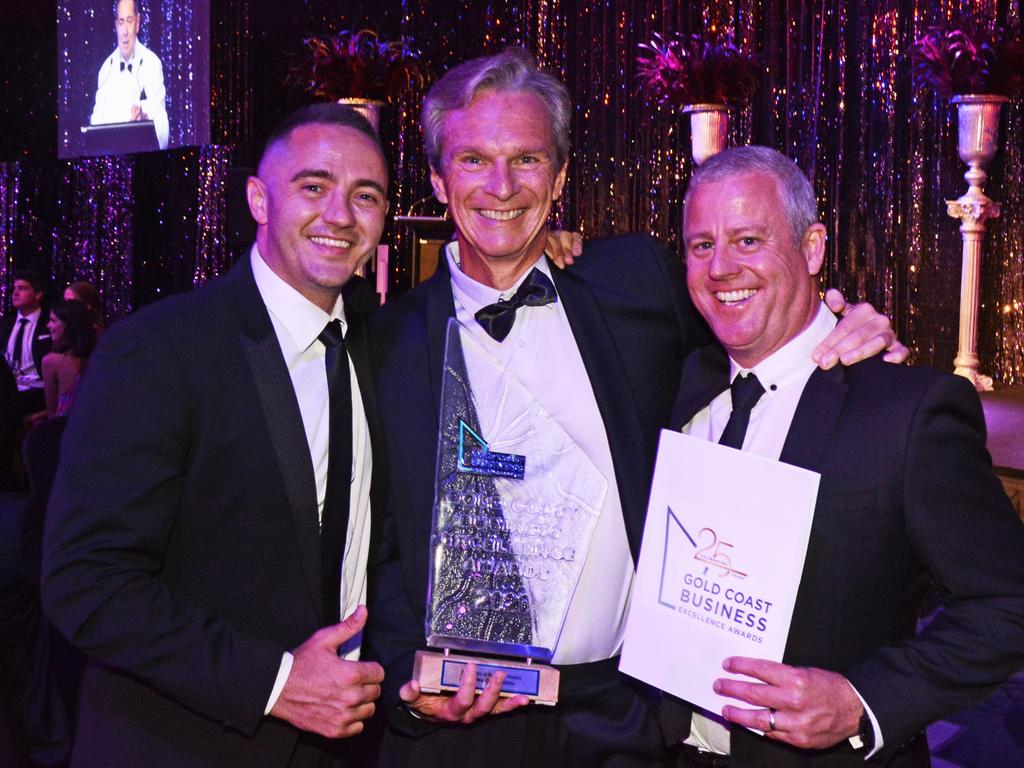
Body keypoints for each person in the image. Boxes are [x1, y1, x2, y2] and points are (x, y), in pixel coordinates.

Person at [363, 48, 904, 768]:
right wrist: (406, 674)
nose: (501, 186)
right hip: (457, 724)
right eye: (472, 161)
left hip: (622, 720)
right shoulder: (382, 342)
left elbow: (750, 321)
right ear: (436, 178)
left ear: (557, 180)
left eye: (526, 160)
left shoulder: (634, 283)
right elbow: (374, 543)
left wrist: (842, 324)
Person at [42, 103, 389, 766]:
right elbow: (85, 579)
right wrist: (276, 683)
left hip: (343, 746)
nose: (340, 216)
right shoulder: (162, 348)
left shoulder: (382, 340)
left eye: (364, 196)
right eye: (313, 187)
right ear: (259, 198)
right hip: (184, 743)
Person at [663, 145, 1024, 767]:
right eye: (702, 245)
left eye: (748, 240)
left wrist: (863, 701)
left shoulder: (907, 412)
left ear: (811, 249)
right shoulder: (678, 383)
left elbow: (1008, 601)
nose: (721, 266)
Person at [90, 0, 169, 150]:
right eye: (121, 22)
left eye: (129, 21)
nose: (125, 31)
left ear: (137, 23)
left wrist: (146, 122)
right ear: (116, 25)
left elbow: (162, 128)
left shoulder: (152, 64)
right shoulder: (106, 69)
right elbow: (95, 126)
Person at [1, 270, 51, 415]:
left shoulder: (48, 323)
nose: (15, 293)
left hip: (36, 389)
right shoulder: (5, 324)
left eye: (22, 288)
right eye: (15, 288)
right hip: (8, 385)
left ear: (38, 294)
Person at [41, 299, 97, 418]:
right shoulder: (99, 356)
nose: (48, 325)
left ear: (69, 324)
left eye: (52, 320)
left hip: (65, 432)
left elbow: (52, 414)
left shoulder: (51, 361)